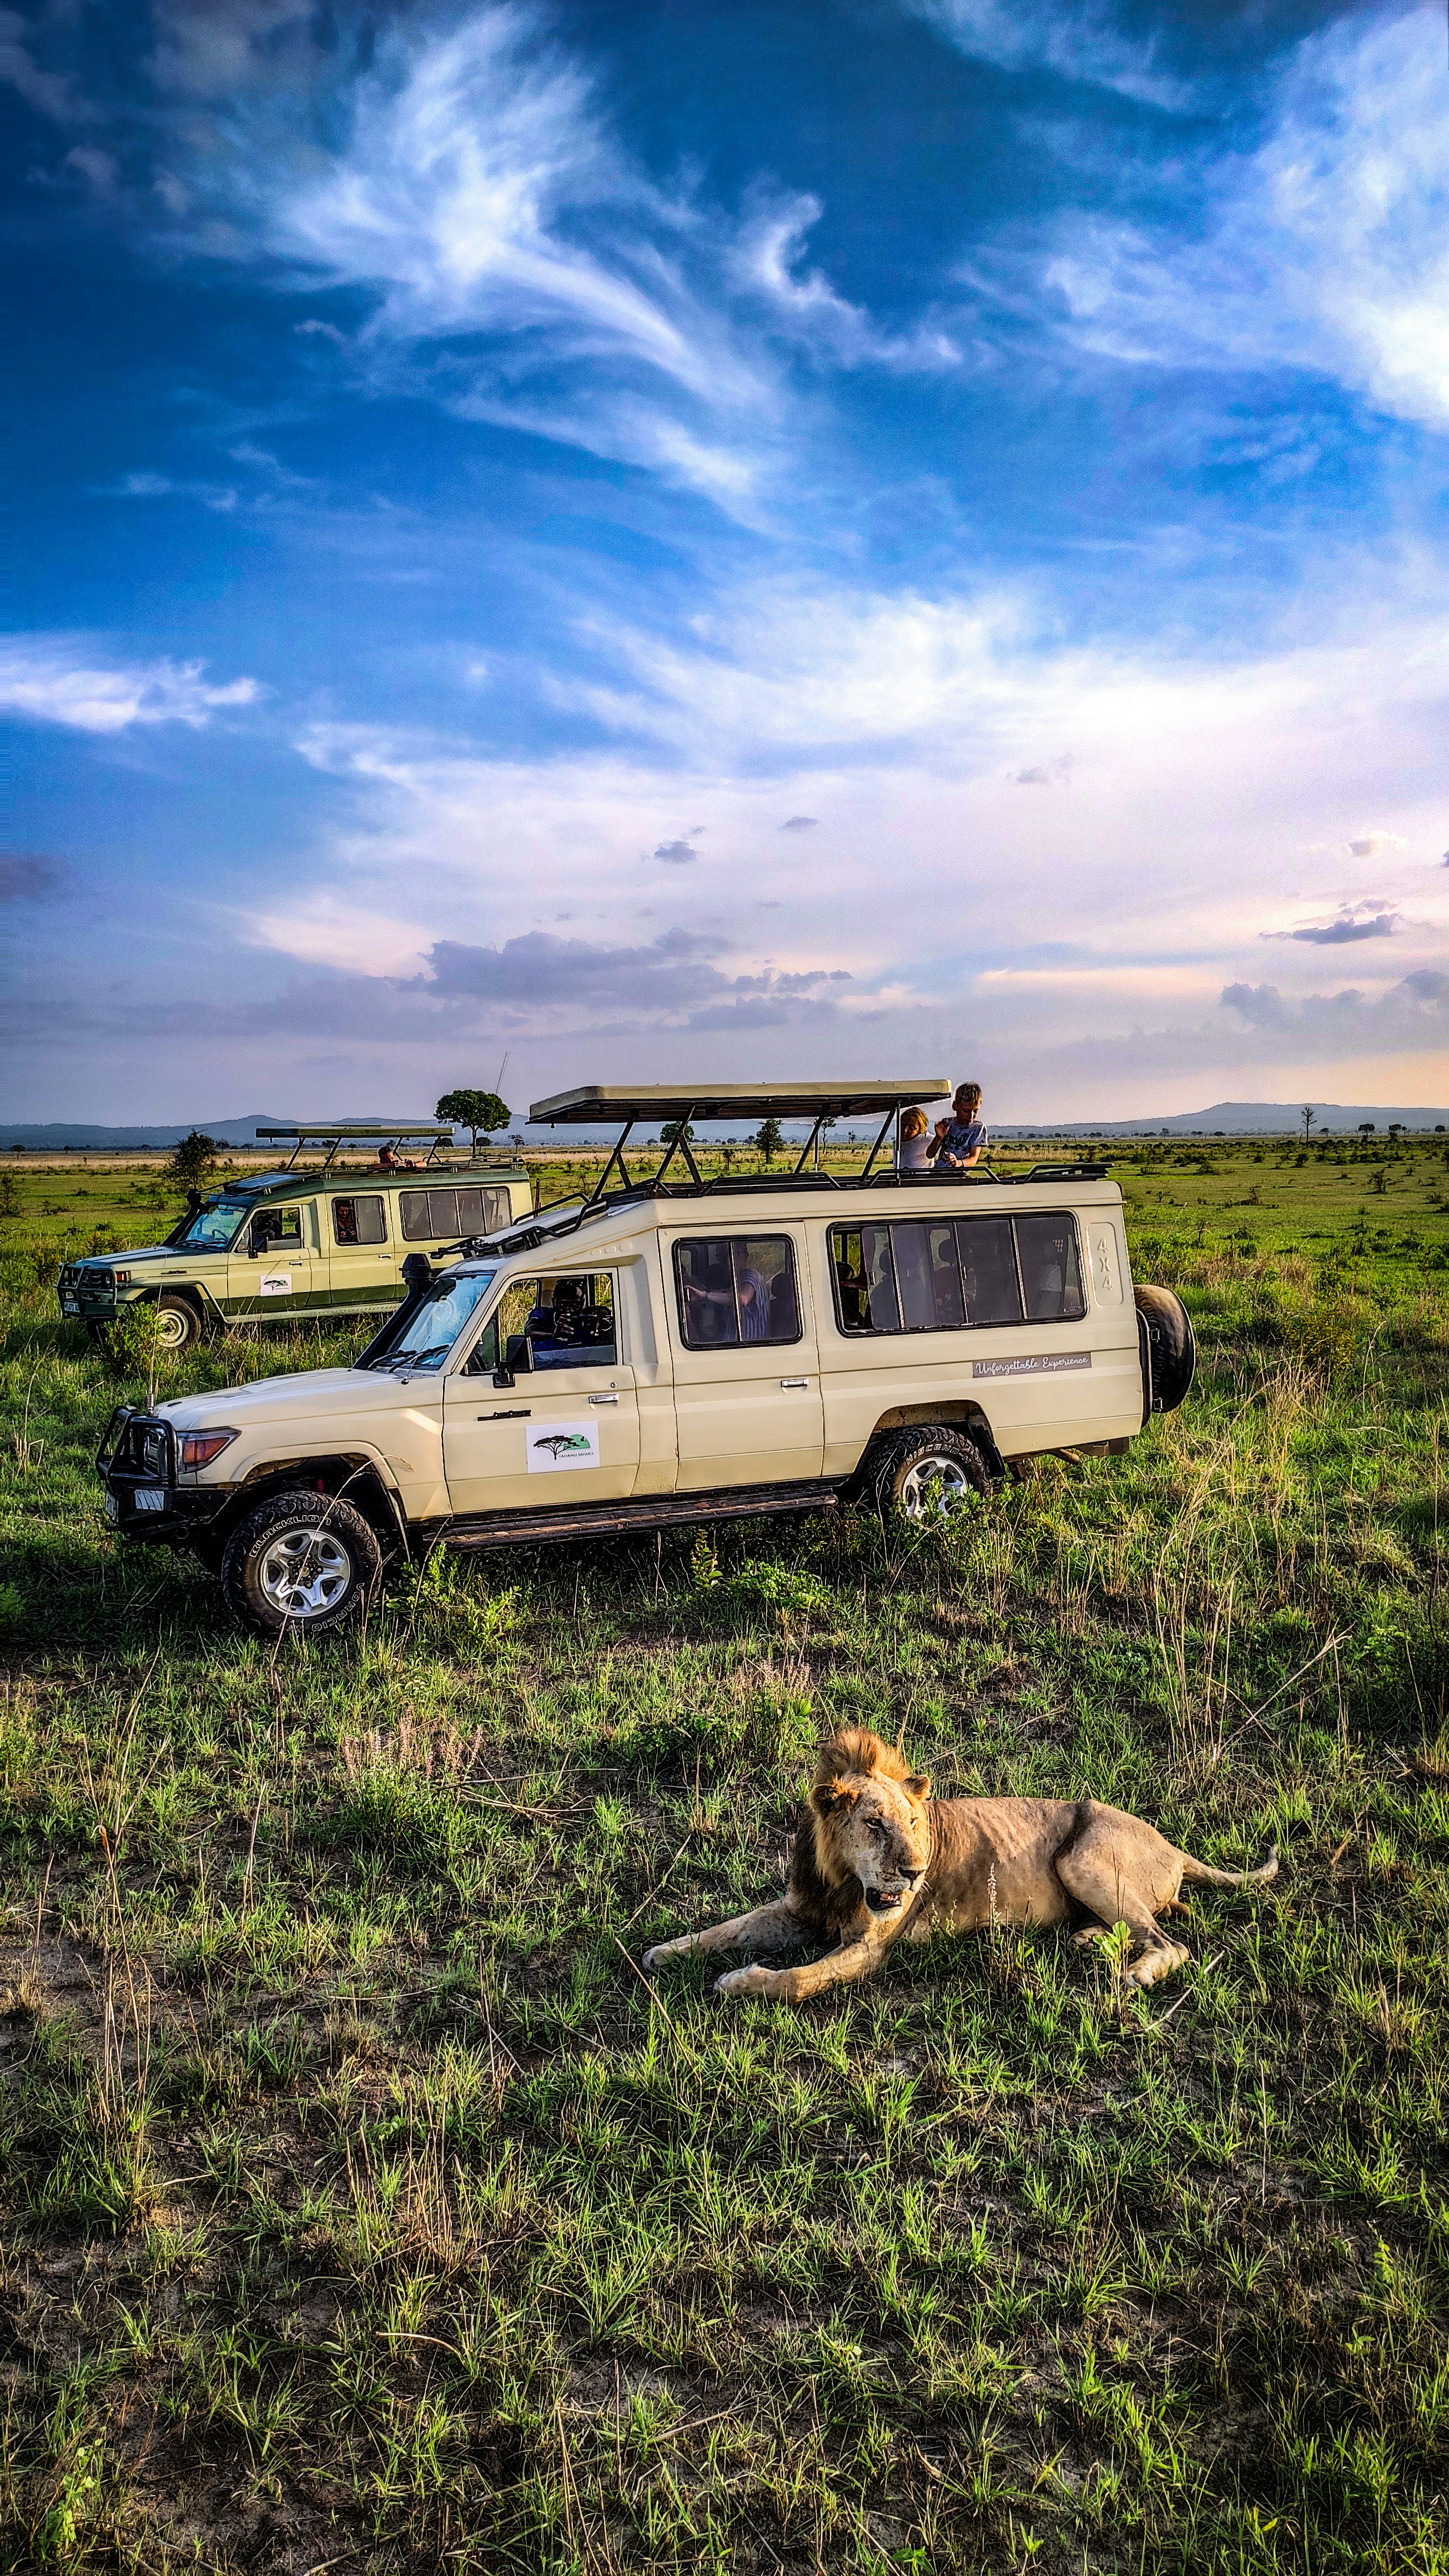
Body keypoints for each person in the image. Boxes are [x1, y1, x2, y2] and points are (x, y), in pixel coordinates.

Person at [929, 1082, 987, 1170]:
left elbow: (973, 1160)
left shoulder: (978, 1128)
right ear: (955, 1106)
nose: (971, 1116)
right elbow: (930, 1155)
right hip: (938, 1174)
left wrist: (958, 1163)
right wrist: (939, 1138)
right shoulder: (947, 1123)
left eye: (975, 1111)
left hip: (959, 1177)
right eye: (966, 1111)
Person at [897, 1106, 931, 1172]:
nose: (905, 1130)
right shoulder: (897, 1143)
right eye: (902, 1125)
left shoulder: (927, 1140)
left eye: (911, 1128)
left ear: (921, 1130)